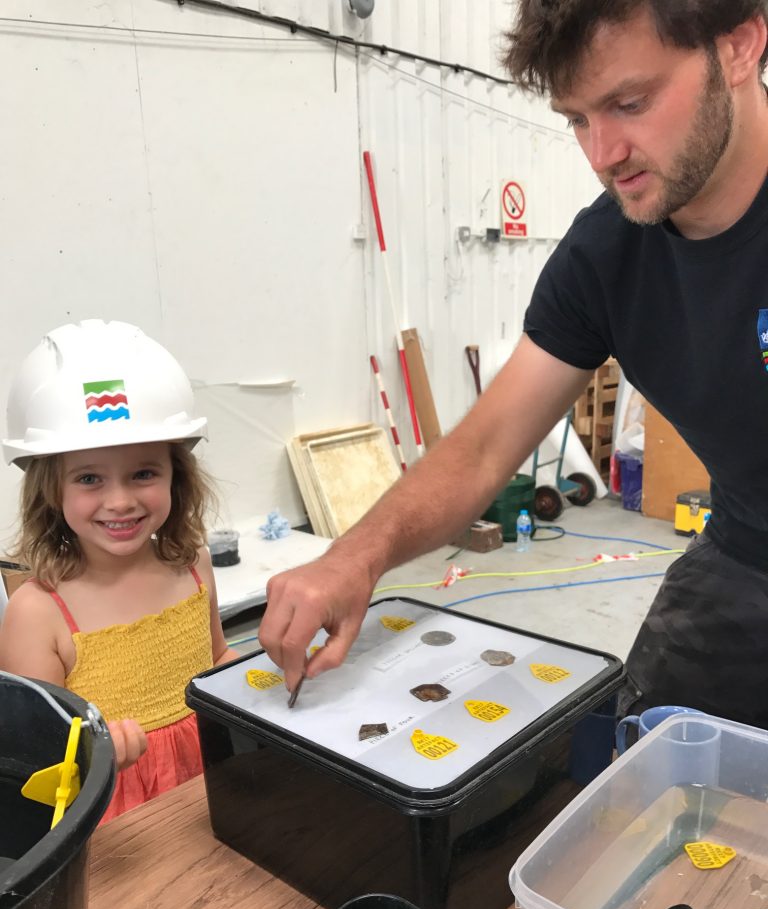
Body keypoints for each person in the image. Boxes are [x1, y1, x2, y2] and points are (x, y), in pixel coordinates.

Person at [259, 0, 768, 729]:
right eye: (577, 119)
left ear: (741, 45)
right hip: (747, 549)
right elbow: (483, 446)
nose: (603, 154)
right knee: (641, 776)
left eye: (629, 103)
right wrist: (352, 559)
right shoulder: (605, 257)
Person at [0, 319, 237, 821]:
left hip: (216, 780)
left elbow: (217, 657)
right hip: (116, 817)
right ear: (51, 490)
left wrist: (265, 678)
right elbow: (38, 765)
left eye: (144, 473)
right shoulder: (36, 612)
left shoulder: (193, 564)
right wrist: (95, 759)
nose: (120, 500)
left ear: (177, 476)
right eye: (89, 478)